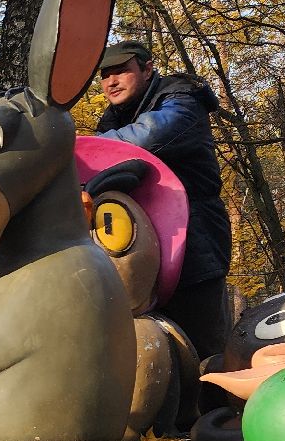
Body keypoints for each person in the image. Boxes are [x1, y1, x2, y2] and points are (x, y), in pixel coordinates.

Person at [94, 39, 233, 360]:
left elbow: (151, 136)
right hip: (142, 254)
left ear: (146, 69)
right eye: (105, 75)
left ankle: (221, 407)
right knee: (154, 357)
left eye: (121, 71)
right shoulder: (113, 119)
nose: (111, 82)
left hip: (194, 243)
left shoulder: (182, 100)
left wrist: (84, 146)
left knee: (204, 351)